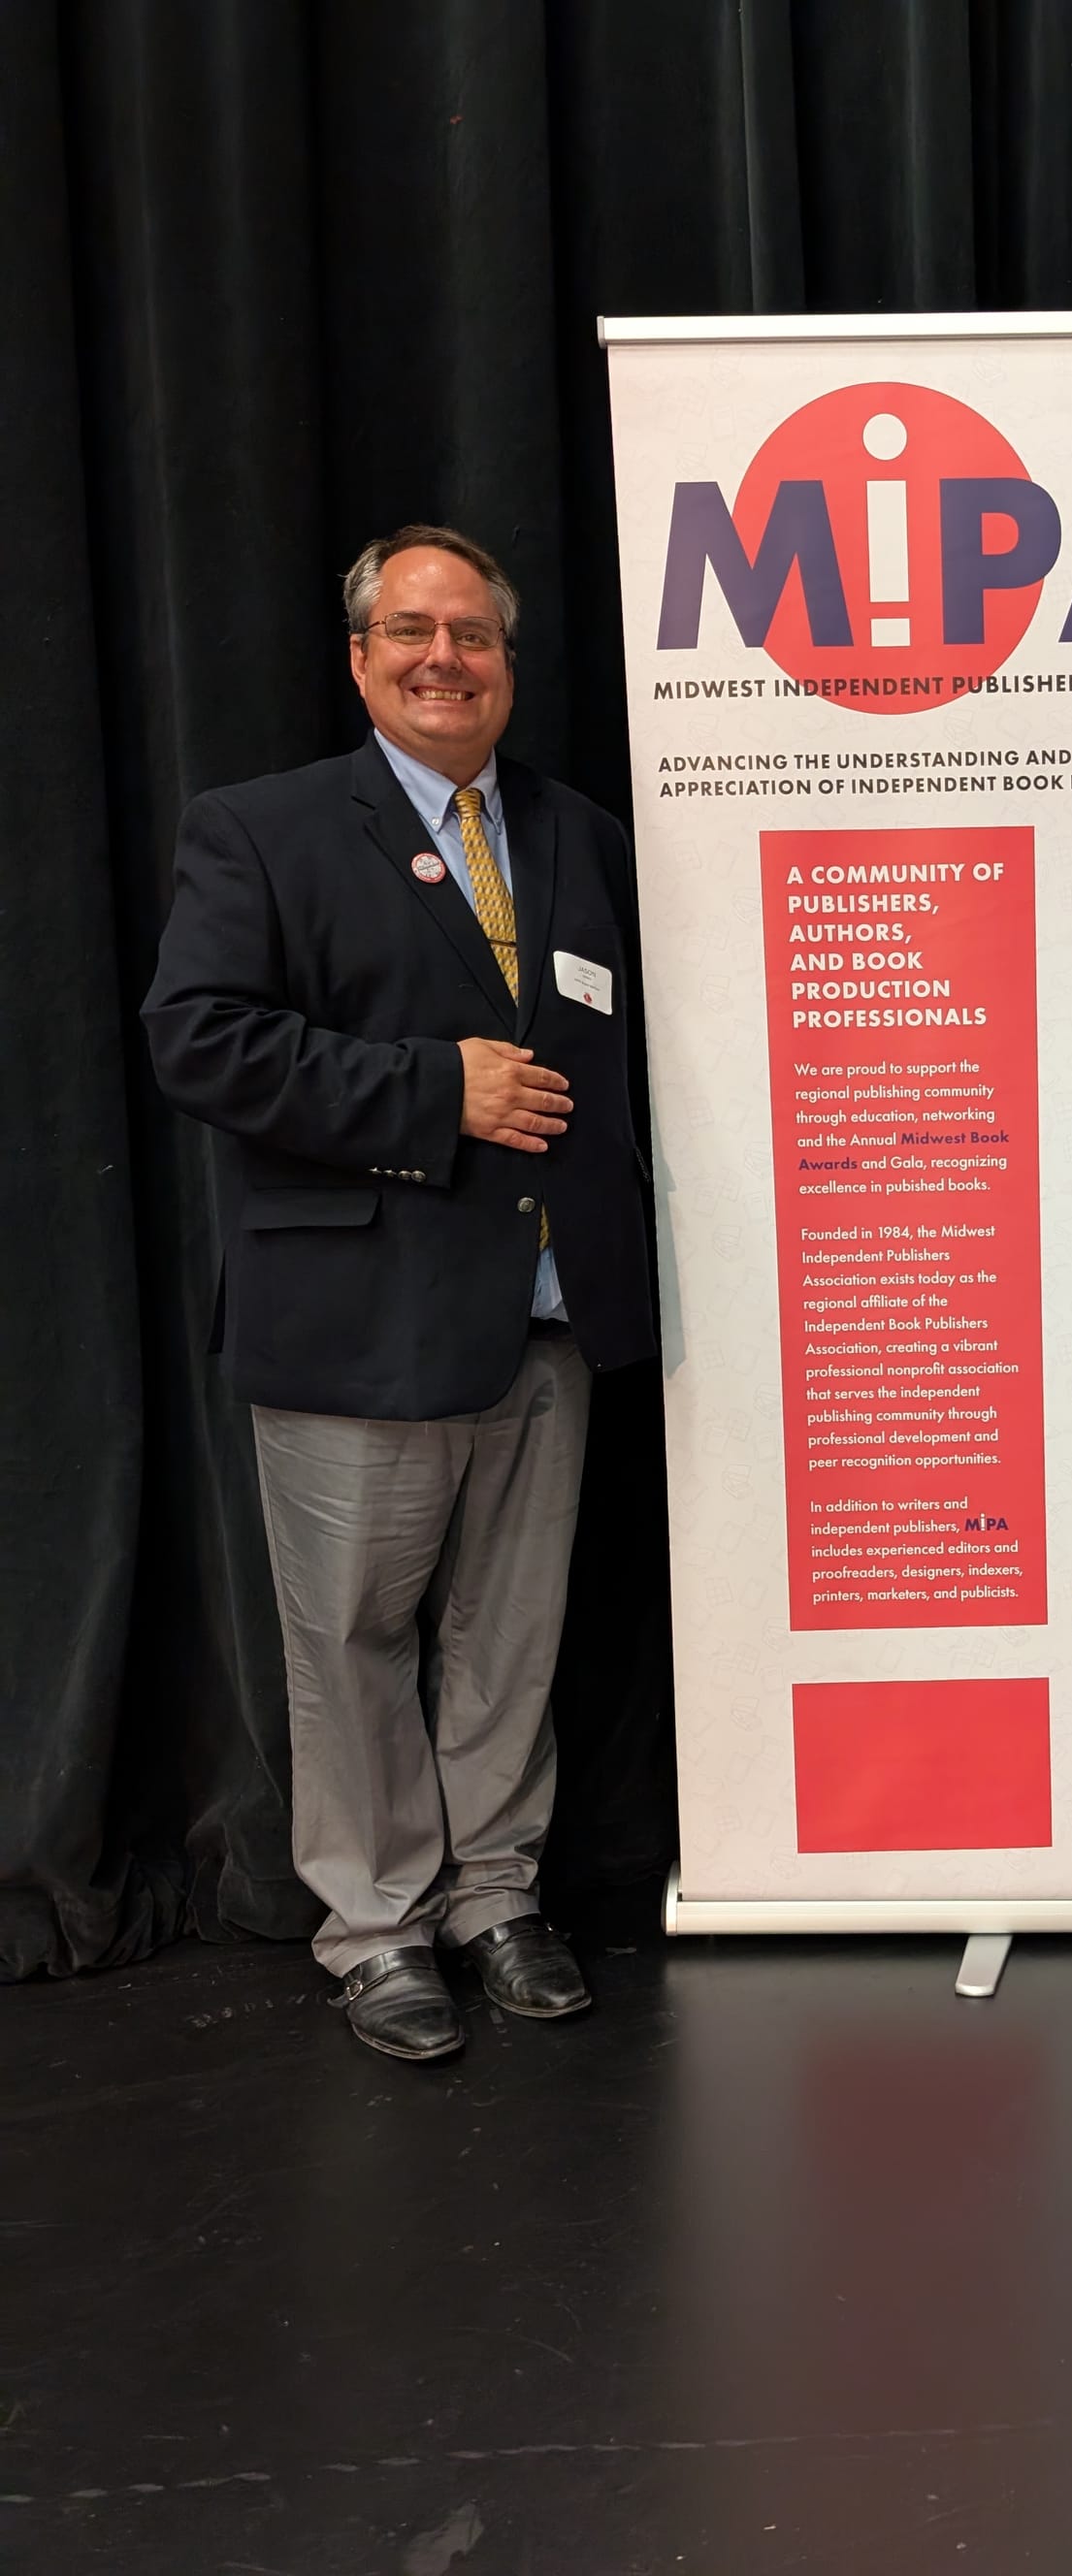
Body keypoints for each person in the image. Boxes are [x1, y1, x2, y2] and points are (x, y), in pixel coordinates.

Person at [144, 524, 656, 2063]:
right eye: (413, 633)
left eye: (474, 634)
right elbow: (200, 1041)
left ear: (508, 661)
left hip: (544, 1316)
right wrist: (436, 1090)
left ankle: (496, 1897)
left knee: (511, 1638)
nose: (447, 658)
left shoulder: (576, 834)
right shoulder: (265, 830)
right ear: (362, 659)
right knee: (354, 1639)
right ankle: (376, 1926)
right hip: (357, 1324)